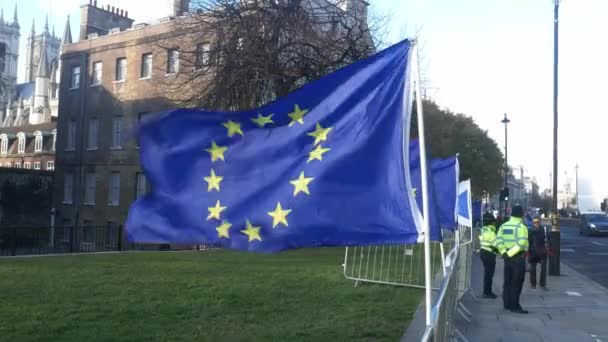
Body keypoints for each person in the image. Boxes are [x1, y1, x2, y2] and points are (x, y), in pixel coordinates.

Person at [497, 204, 530, 314]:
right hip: (518, 258)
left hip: (507, 258)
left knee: (507, 281)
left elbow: (499, 241)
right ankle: (514, 306)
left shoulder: (504, 226)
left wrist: (504, 252)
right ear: (521, 214)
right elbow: (521, 244)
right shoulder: (521, 227)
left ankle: (506, 304)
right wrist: (511, 253)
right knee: (517, 282)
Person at [479, 212, 500, 298]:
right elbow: (497, 244)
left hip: (483, 252)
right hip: (489, 254)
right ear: (491, 222)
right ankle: (487, 292)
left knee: (487, 274)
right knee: (489, 274)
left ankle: (486, 291)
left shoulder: (483, 230)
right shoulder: (491, 232)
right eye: (493, 221)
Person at [528, 217, 549, 290]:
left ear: (540, 222)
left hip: (542, 252)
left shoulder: (544, 230)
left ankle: (542, 284)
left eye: (537, 222)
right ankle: (533, 284)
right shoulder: (530, 231)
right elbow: (528, 242)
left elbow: (548, 240)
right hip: (533, 252)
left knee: (543, 269)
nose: (536, 223)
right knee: (533, 269)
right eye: (534, 222)